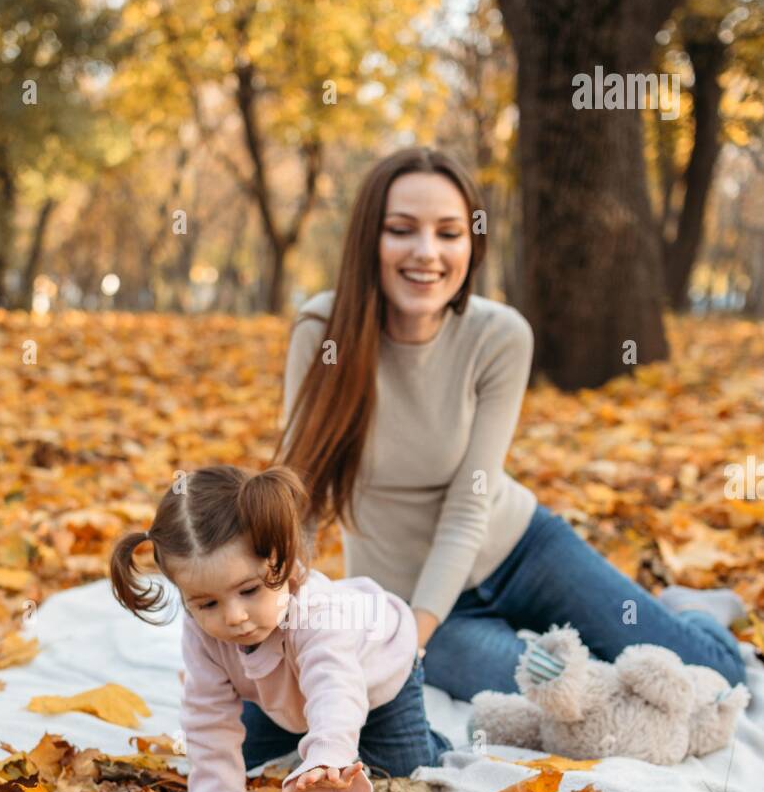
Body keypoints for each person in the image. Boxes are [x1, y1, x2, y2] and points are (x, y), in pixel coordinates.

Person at [277, 145, 746, 703]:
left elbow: (469, 504)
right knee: (588, 696)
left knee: (714, 674)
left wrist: (410, 646)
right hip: (411, 601)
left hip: (525, 551)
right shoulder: (319, 332)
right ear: (368, 240)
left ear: (471, 244)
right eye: (402, 229)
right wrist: (276, 627)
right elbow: (296, 495)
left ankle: (687, 607)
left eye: (449, 233)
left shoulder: (499, 335)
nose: (427, 252)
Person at [108, 463, 450, 792]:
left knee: (400, 771)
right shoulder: (201, 629)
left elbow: (335, 688)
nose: (234, 616)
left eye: (249, 590)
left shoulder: (317, 613)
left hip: (378, 677)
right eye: (207, 603)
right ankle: (311, 736)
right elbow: (207, 714)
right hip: (286, 696)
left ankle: (431, 740)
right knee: (244, 758)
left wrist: (326, 759)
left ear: (280, 559)